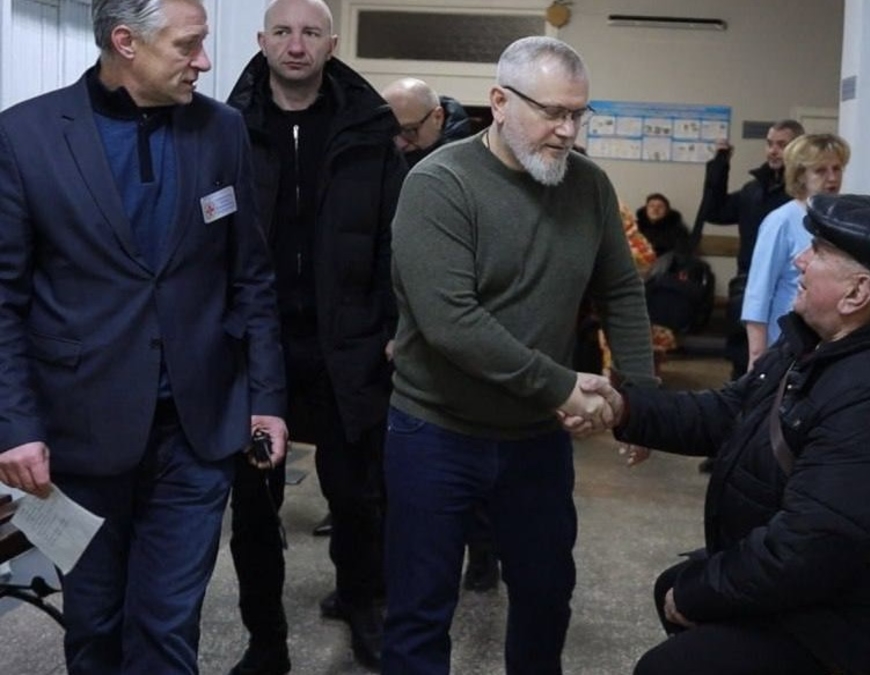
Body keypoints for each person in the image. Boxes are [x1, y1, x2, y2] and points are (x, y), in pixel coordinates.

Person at [0, 1, 288, 673]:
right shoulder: (25, 135)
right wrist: (14, 424)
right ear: (127, 42)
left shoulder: (222, 130)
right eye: (188, 45)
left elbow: (250, 275)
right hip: (78, 434)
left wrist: (266, 397)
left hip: (197, 429)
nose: (204, 62)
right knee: (95, 623)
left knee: (167, 623)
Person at [383, 36, 657, 674]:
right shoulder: (439, 184)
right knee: (420, 611)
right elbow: (452, 322)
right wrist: (563, 386)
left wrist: (641, 400)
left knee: (545, 596)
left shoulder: (589, 185)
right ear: (500, 102)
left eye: (579, 114)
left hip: (534, 440)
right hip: (436, 433)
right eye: (552, 112)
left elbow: (620, 289)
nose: (567, 131)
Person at [596, 194, 870, 675]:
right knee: (673, 588)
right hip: (825, 583)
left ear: (856, 294)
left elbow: (806, 549)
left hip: (856, 616)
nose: (799, 260)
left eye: (818, 252)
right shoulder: (822, 340)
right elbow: (729, 412)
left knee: (669, 665)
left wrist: (701, 594)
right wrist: (624, 408)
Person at [225, 0, 404, 671]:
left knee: (358, 500)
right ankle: (265, 640)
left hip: (349, 348)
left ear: (331, 45)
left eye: (310, 33)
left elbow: (395, 240)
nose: (295, 45)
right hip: (256, 350)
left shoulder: (370, 129)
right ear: (261, 40)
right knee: (253, 509)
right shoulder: (227, 128)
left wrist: (392, 327)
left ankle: (362, 606)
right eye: (282, 32)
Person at [380, 75, 502, 594]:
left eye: (409, 131)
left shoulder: (469, 164)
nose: (400, 142)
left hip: (463, 329)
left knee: (471, 451)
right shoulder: (399, 152)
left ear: (436, 117)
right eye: (392, 132)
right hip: (409, 331)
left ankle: (482, 552)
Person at [698, 119, 804, 379]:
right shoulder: (754, 190)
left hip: (788, 293)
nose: (773, 151)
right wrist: (720, 164)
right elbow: (715, 211)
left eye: (781, 145)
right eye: (770, 144)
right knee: (742, 362)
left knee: (781, 365)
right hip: (748, 287)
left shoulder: (800, 199)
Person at [743, 133, 850, 369]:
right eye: (820, 171)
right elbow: (758, 292)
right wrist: (757, 356)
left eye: (837, 168)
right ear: (801, 175)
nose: (832, 178)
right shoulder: (781, 221)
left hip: (831, 342)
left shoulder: (842, 220)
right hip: (787, 343)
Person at [381, 76, 473, 165]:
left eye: (409, 131)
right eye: (390, 131)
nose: (399, 144)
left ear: (437, 117)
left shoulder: (467, 163)